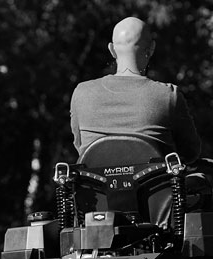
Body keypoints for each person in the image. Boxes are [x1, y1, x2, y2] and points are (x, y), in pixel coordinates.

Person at [69, 17, 205, 163]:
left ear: (111, 50)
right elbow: (190, 152)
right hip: (154, 185)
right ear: (151, 49)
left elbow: (80, 146)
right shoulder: (168, 95)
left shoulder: (81, 93)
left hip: (95, 185)